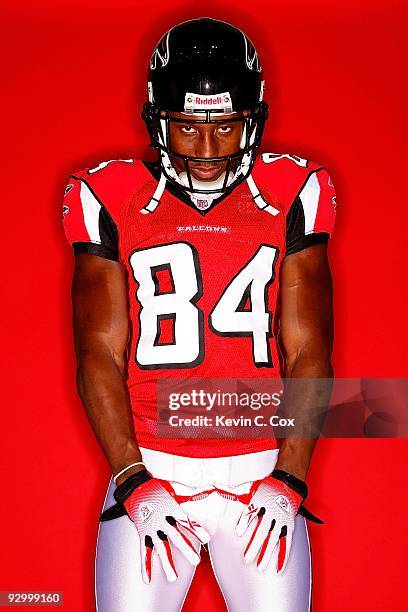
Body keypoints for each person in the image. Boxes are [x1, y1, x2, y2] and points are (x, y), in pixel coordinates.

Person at [62, 17, 336, 612]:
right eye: (187, 127)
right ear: (159, 119)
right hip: (154, 471)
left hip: (261, 473)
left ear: (252, 117)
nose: (207, 151)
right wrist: (135, 482)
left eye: (225, 127)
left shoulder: (292, 188)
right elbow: (98, 351)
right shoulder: (109, 194)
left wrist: (288, 478)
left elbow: (309, 347)